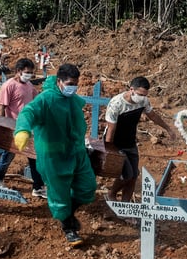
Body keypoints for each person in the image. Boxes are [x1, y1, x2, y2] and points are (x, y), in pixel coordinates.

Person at [13, 63, 96, 247]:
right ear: (59, 81)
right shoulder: (46, 99)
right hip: (53, 156)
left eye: (75, 84)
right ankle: (68, 227)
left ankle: (69, 212)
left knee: (88, 187)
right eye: (69, 83)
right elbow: (28, 112)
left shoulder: (72, 99)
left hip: (76, 152)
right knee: (59, 193)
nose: (72, 87)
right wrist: (22, 130)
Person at [104, 76, 176, 204]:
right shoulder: (117, 104)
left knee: (133, 175)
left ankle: (125, 205)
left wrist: (168, 129)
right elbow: (111, 130)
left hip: (130, 141)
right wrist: (109, 150)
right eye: (140, 94)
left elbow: (152, 115)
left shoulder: (143, 101)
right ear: (131, 89)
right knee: (128, 174)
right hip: (116, 143)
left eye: (145, 95)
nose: (142, 98)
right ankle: (112, 194)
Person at [0, 58, 47, 198]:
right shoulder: (8, 85)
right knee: (8, 155)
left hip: (29, 127)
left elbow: (37, 101)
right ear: (18, 71)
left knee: (34, 156)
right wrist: (2, 127)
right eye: (27, 72)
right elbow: (1, 107)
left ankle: (38, 187)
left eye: (31, 73)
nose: (29, 75)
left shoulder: (29, 85)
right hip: (14, 127)